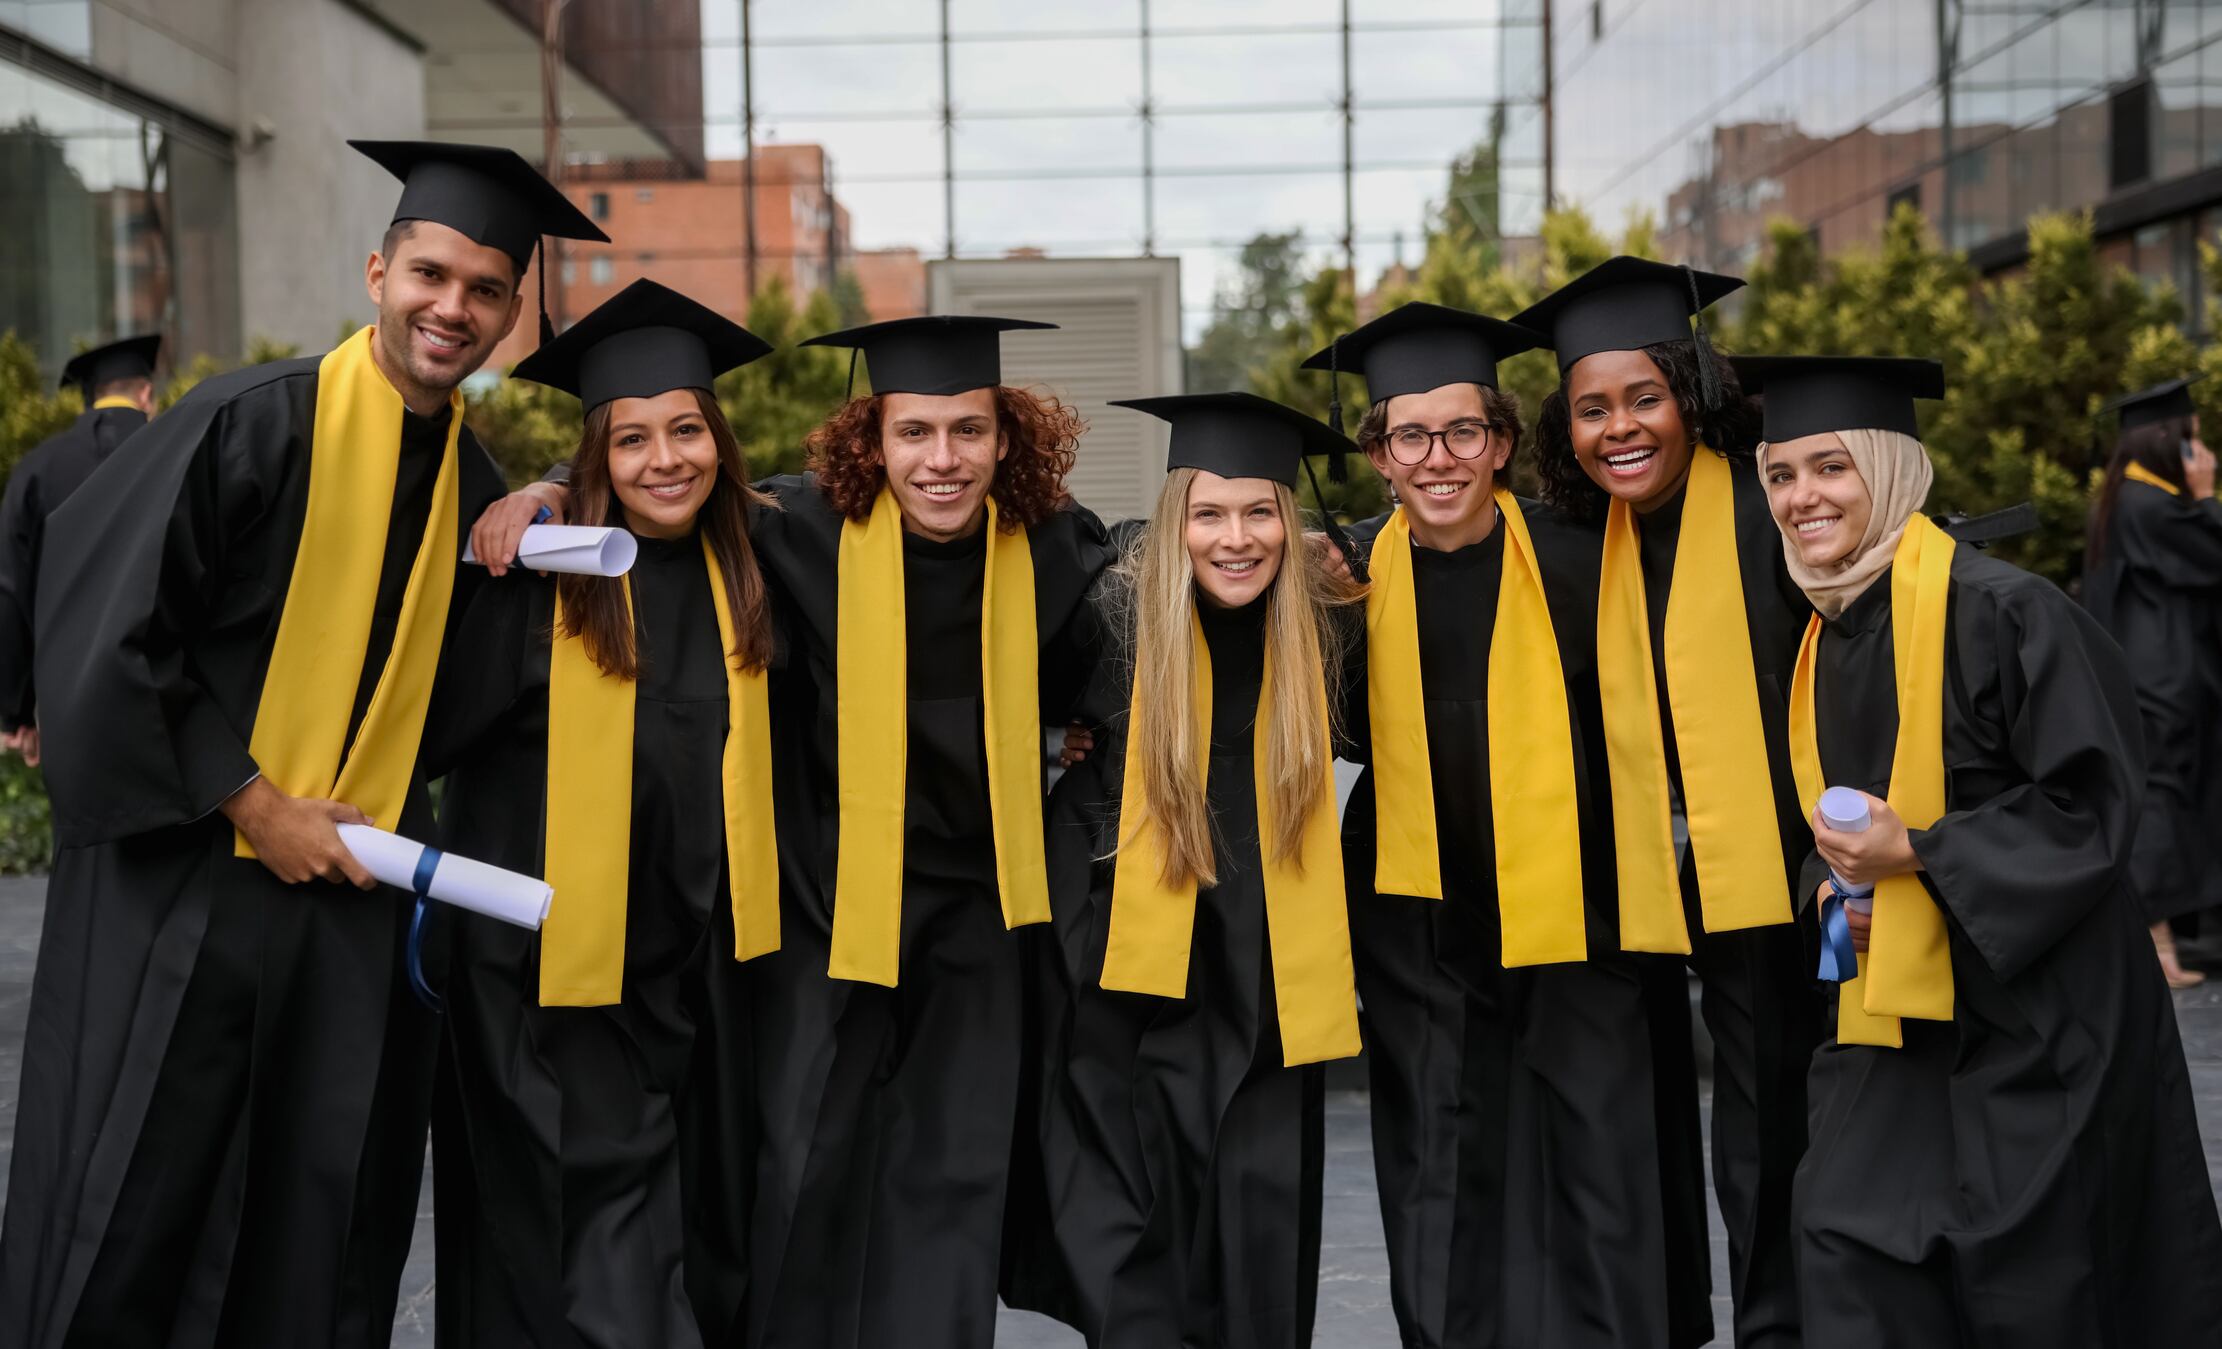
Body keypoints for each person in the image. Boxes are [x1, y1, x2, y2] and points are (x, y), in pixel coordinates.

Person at [0, 140, 606, 1349]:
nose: (452, 308)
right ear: (379, 271)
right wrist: (252, 799)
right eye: (430, 275)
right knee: (141, 1211)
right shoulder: (249, 422)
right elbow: (109, 630)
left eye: (485, 290)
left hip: (343, 912)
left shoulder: (469, 478)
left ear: (509, 316)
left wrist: (549, 493)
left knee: (312, 1223)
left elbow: (464, 694)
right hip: (186, 891)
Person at [473, 314, 1115, 1348]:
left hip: (980, 915)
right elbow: (662, 477)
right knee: (803, 1170)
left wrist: (1068, 737)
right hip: (828, 904)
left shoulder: (1054, 547)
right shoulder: (799, 528)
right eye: (914, 432)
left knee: (953, 1176)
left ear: (1006, 438)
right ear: (872, 439)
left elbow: (1117, 632)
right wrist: (549, 486)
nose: (942, 459)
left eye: (968, 430)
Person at [1746, 353, 2222, 1345]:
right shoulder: (1822, 632)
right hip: (1888, 1021)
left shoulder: (2006, 609)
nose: (1800, 496)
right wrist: (1833, 903)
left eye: (1829, 466)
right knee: (1842, 1242)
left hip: (2036, 1020)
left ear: (1889, 468)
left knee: (2033, 1288)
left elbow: (2092, 804)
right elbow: (1828, 836)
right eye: (1779, 474)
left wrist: (1919, 851)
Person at [1303, 303, 1680, 1347]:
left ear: (1503, 440)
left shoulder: (1584, 553)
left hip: (1581, 898)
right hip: (1418, 914)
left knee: (1598, 1143)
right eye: (1410, 436)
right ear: (1377, 455)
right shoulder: (1342, 581)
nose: (1439, 458)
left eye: (1463, 431)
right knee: (1437, 1150)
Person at [424, 279, 783, 1349]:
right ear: (596, 454)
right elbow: (428, 735)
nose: (664, 459)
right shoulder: (537, 577)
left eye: (686, 430)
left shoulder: (765, 560)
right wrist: (541, 494)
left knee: (706, 1244)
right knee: (596, 1257)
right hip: (555, 982)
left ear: (720, 441)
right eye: (630, 439)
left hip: (708, 979)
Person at [1513, 257, 1821, 1349]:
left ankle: (1786, 1325)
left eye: (1643, 398)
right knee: (1653, 1115)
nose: (1620, 429)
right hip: (1633, 867)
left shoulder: (1773, 515)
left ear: (1690, 393)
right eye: (1592, 409)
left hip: (1781, 861)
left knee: (1774, 1109)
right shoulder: (1566, 537)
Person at [1020, 391, 1362, 1347]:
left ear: (1290, 522)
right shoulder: (1111, 614)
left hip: (1265, 955)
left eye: (1259, 512)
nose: (1235, 538)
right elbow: (1010, 674)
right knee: (1130, 1213)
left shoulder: (1331, 628)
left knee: (1258, 1210)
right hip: (1124, 947)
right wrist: (1053, 740)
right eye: (1208, 513)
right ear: (1175, 519)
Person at [2082, 376, 2222, 988]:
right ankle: (2158, 946)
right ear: (2171, 442)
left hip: (2145, 670)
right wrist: (2207, 497)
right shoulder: (2155, 506)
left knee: (2160, 795)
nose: (2202, 452)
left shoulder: (2123, 499)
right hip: (2166, 676)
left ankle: (2167, 940)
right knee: (2162, 798)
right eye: (2193, 439)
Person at [0, 332, 161, 765]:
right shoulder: (179, 451)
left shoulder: (37, 469)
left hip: (69, 702)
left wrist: (16, 712)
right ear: (145, 394)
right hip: (172, 698)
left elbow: (11, 591)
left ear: (90, 399)